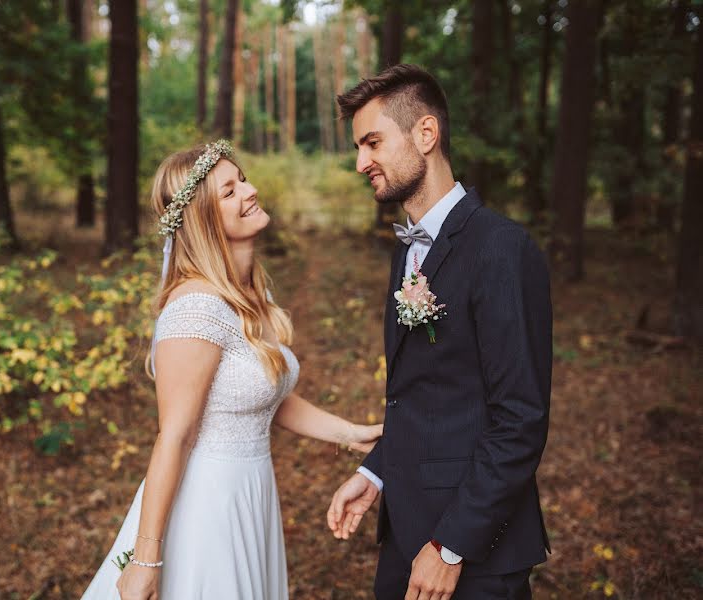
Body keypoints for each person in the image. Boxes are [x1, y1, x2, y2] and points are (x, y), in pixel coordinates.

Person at [81, 140, 383, 600]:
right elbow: (174, 436)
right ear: (203, 219)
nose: (251, 189)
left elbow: (267, 399)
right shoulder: (196, 308)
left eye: (242, 178)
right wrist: (145, 560)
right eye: (229, 190)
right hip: (207, 504)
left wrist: (350, 433)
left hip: (251, 492)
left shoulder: (245, 296)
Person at [326, 64, 552, 600]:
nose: (362, 163)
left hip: (472, 551)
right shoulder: (408, 248)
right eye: (359, 147)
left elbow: (520, 419)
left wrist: (450, 547)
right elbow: (427, 394)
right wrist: (376, 474)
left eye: (372, 142)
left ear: (426, 134)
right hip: (404, 534)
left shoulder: (501, 249)